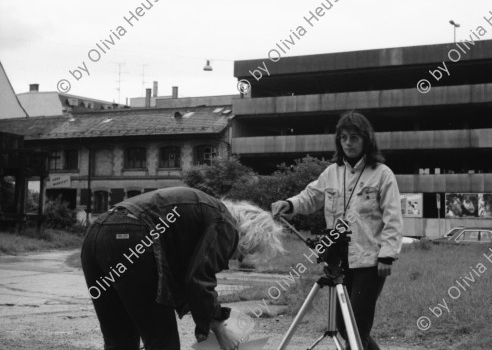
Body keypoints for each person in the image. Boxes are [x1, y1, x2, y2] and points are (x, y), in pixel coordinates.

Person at [81, 186, 284, 350]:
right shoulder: (225, 223)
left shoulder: (200, 215)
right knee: (162, 343)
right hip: (132, 234)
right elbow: (199, 279)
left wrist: (208, 318)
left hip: (96, 235)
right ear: (249, 236)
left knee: (120, 340)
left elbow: (184, 278)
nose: (235, 258)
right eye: (243, 253)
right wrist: (219, 328)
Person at [272, 112, 403, 350]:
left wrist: (388, 254)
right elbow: (310, 197)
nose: (348, 143)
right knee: (345, 328)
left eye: (354, 137)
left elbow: (393, 218)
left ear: (366, 139)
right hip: (338, 259)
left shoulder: (382, 174)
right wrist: (289, 204)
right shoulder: (332, 172)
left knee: (357, 328)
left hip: (369, 262)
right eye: (343, 138)